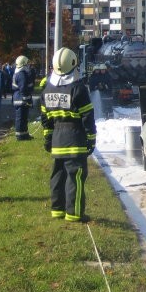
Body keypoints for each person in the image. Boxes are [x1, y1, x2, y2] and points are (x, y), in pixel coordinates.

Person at [40, 47, 96, 222]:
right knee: (75, 177)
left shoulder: (47, 89)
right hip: (75, 139)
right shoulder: (78, 89)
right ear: (73, 65)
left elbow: (45, 118)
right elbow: (87, 116)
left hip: (57, 139)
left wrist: (48, 139)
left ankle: (57, 210)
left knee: (57, 176)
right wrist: (91, 140)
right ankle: (74, 213)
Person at [12, 55, 34, 141]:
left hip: (20, 98)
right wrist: (26, 98)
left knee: (24, 118)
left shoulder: (18, 73)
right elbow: (23, 88)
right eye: (27, 63)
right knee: (21, 118)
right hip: (21, 99)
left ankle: (25, 134)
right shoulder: (21, 75)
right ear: (23, 64)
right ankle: (20, 136)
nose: (28, 65)